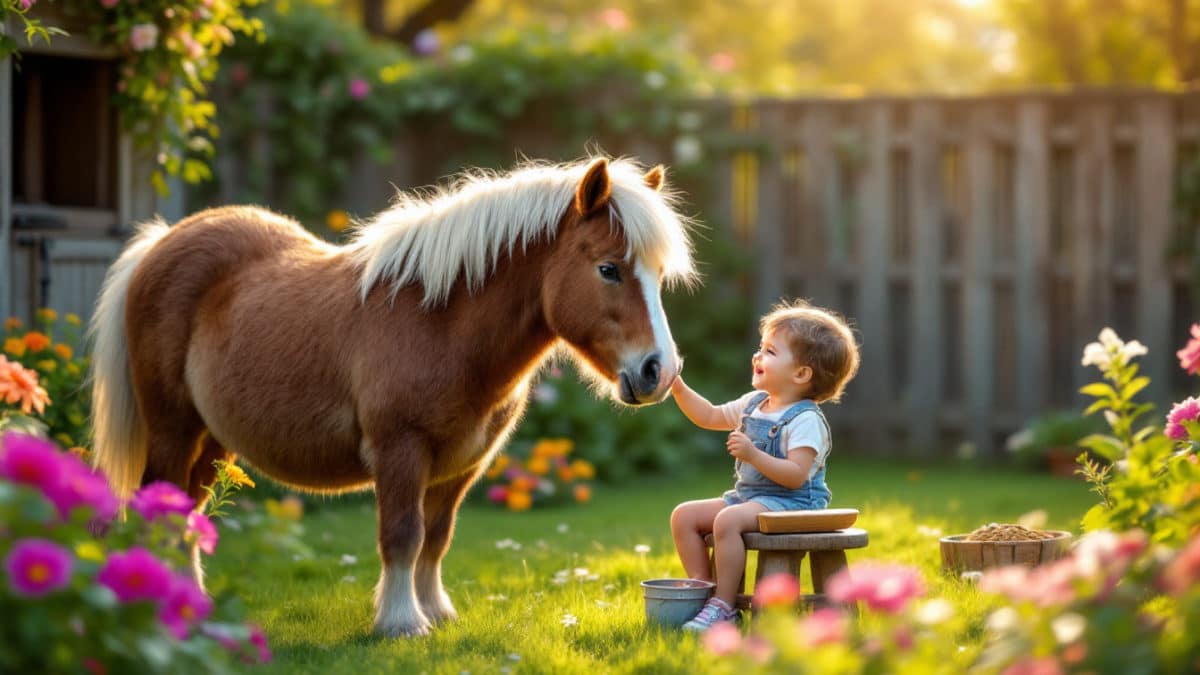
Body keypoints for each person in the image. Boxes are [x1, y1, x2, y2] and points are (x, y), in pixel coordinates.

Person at [668, 299, 860, 631]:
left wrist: (754, 455)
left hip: (795, 503)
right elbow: (709, 415)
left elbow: (796, 477)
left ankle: (724, 607)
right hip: (752, 498)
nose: (757, 356)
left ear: (801, 374)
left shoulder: (805, 420)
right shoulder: (753, 404)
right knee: (684, 515)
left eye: (770, 352)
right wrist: (677, 386)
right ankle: (702, 591)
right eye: (761, 347)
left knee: (727, 521)